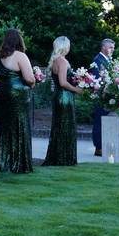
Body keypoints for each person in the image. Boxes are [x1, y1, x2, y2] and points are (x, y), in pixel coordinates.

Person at [0, 29, 36, 173]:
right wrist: (34, 82)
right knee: (19, 124)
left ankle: (3, 161)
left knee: (5, 126)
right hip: (18, 95)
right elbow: (29, 78)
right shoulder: (20, 55)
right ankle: (18, 161)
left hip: (2, 94)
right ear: (19, 40)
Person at [43, 37, 82, 166]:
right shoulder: (63, 62)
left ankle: (57, 156)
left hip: (57, 96)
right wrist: (76, 90)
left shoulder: (54, 61)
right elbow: (63, 82)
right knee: (66, 126)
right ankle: (64, 158)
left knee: (59, 127)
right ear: (65, 46)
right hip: (65, 97)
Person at [90, 38, 115, 156]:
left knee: (104, 120)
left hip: (108, 95)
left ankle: (103, 145)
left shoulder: (108, 60)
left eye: (113, 48)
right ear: (103, 47)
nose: (112, 50)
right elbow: (96, 79)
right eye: (110, 47)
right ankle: (98, 147)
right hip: (100, 96)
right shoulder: (97, 60)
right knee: (99, 121)